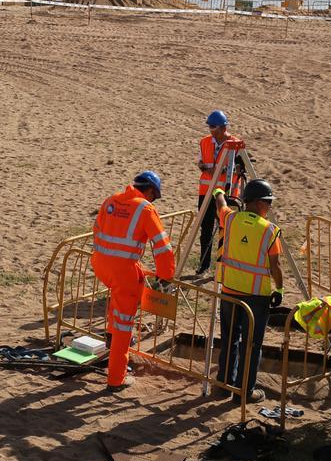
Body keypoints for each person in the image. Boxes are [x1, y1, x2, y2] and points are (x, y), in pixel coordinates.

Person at [91, 171, 176, 392]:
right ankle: (116, 378)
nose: (153, 200)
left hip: (101, 265)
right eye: (154, 196)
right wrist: (165, 277)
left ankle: (111, 351)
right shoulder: (145, 209)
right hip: (122, 272)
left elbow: (97, 230)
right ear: (149, 191)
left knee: (116, 312)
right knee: (123, 325)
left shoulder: (111, 200)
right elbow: (163, 248)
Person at [210, 178, 284, 402]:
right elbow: (275, 266)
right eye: (269, 203)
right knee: (251, 345)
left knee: (230, 339)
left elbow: (221, 205)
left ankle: (224, 385)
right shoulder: (270, 230)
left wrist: (218, 192)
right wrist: (279, 289)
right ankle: (244, 392)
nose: (270, 207)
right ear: (260, 203)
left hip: (230, 290)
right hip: (256, 297)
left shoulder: (231, 219)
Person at [195, 110, 244, 276]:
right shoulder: (204, 142)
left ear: (224, 128)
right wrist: (209, 170)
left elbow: (240, 168)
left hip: (224, 194)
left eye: (214, 127)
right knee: (206, 228)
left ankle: (222, 268)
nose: (211, 131)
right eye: (209, 127)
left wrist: (221, 170)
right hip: (206, 191)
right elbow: (201, 163)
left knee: (226, 229)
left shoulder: (235, 144)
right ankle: (204, 266)